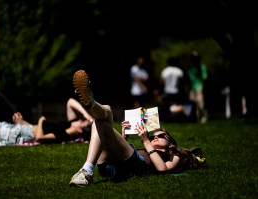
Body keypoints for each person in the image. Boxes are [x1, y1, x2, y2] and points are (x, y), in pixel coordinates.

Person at [69, 70, 206, 187]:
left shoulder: (174, 155)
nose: (155, 137)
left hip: (137, 163)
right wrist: (124, 137)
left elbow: (163, 169)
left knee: (100, 123)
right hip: (115, 164)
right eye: (153, 137)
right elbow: (119, 153)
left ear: (171, 144)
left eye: (160, 136)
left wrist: (146, 141)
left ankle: (86, 171)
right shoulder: (153, 148)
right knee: (107, 111)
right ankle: (91, 103)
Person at [0, 98, 94, 145]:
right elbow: (70, 102)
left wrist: (41, 121)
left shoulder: (64, 134)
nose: (80, 120)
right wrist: (88, 115)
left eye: (82, 122)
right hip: (23, 128)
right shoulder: (68, 125)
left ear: (80, 130)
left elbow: (39, 137)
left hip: (21, 134)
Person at [187, 51, 208, 123]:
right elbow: (189, 77)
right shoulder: (190, 67)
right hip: (191, 87)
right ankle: (197, 118)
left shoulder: (202, 66)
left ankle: (204, 117)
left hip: (199, 86)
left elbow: (204, 77)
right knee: (193, 103)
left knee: (200, 103)